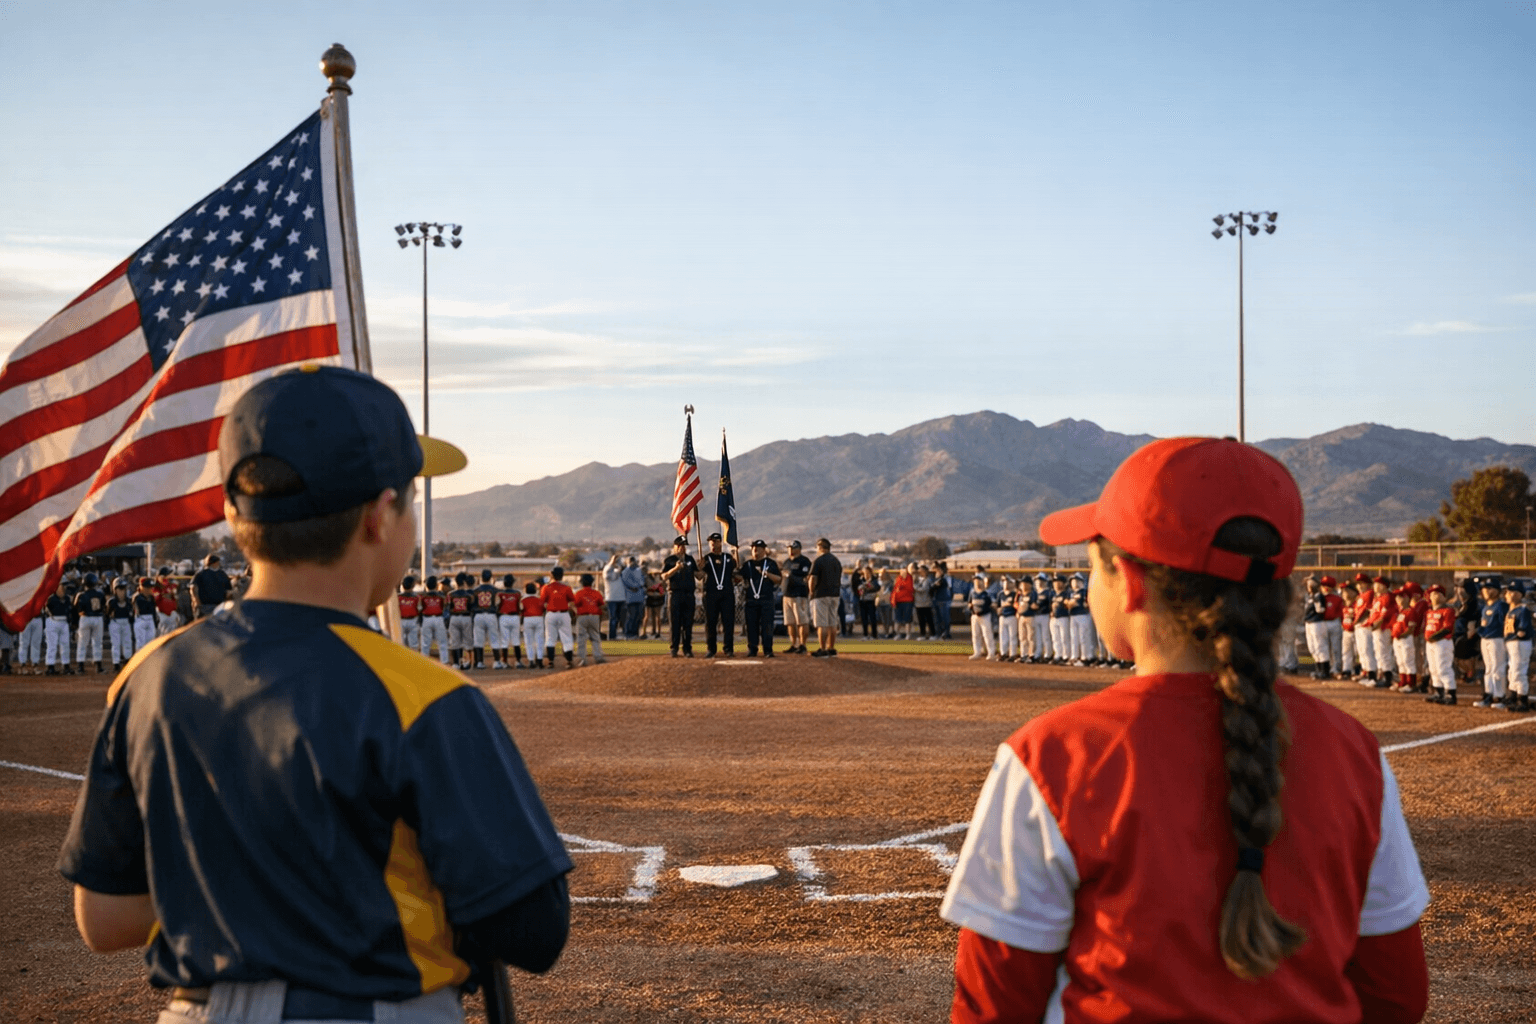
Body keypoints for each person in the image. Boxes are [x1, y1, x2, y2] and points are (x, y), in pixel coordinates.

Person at [58, 364, 571, 1024]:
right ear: (381, 517)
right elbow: (534, 930)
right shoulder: (422, 695)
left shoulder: (149, 674)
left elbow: (105, 917)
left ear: (233, 513)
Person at [941, 436, 1429, 1024]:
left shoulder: (1056, 753)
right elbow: (1394, 995)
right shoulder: (1353, 751)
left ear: (1130, 580)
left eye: (1093, 560)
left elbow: (994, 1003)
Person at [700, 532, 739, 658]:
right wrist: (699, 567)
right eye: (710, 542)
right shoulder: (705, 559)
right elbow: (700, 576)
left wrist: (735, 552)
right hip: (711, 594)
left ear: (720, 542)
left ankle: (728, 648)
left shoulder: (727, 558)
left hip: (726, 594)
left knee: (728, 622)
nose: (712, 544)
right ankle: (711, 649)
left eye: (714, 541)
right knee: (710, 623)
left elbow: (736, 568)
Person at [740, 539, 781, 658]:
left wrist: (767, 574)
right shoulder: (748, 565)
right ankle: (752, 649)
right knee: (751, 626)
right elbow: (739, 577)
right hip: (751, 600)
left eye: (758, 548)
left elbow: (778, 579)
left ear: (764, 550)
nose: (755, 551)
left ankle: (768, 650)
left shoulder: (770, 563)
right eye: (753, 549)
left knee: (767, 626)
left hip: (766, 599)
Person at [661, 536, 699, 658]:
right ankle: (674, 648)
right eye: (680, 546)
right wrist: (676, 568)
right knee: (675, 623)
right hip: (675, 594)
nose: (682, 548)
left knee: (688, 624)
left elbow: (698, 575)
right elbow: (664, 576)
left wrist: (701, 567)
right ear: (675, 547)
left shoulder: (690, 559)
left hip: (688, 594)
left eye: (684, 546)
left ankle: (687, 648)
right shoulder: (669, 560)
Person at [1422, 584, 1458, 706]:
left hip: (1442, 642)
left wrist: (1434, 637)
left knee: (1443, 667)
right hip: (1431, 643)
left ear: (1444, 597)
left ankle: (1450, 693)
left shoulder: (1448, 610)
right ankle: (1439, 691)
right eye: (1432, 594)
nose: (1435, 596)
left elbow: (1448, 628)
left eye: (1438, 593)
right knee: (1433, 668)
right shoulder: (1429, 611)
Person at [1474, 581, 1507, 709]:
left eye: (1490, 588)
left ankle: (1499, 696)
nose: (1486, 591)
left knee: (1498, 668)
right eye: (1484, 589)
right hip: (1485, 639)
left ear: (1498, 591)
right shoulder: (1486, 607)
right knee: (1488, 669)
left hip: (1497, 639)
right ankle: (1489, 694)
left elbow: (1505, 624)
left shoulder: (1501, 605)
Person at [809, 538, 842, 657]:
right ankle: (831, 648)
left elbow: (813, 578)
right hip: (835, 594)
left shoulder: (818, 560)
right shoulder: (836, 561)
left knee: (822, 623)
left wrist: (811, 592)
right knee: (832, 623)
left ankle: (822, 649)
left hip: (821, 595)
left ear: (820, 547)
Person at [539, 567, 577, 669]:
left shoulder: (546, 587)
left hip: (551, 614)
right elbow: (572, 601)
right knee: (567, 638)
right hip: (564, 614)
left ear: (552, 575)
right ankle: (569, 661)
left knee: (550, 638)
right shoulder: (566, 587)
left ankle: (551, 662)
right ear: (562, 575)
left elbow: (542, 602)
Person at [1502, 582, 1532, 712]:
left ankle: (1522, 698)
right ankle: (1513, 695)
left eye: (1512, 591)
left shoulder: (1522, 609)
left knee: (1518, 670)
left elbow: (1523, 629)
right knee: (1512, 670)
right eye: (1508, 591)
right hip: (1511, 642)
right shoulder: (1511, 610)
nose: (1508, 594)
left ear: (1520, 594)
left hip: (1519, 642)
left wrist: (1521, 632)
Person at [781, 540, 813, 655]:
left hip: (799, 595)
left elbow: (806, 579)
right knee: (790, 622)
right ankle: (794, 644)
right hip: (787, 595)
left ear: (799, 549)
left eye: (793, 548)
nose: (790, 550)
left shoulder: (804, 562)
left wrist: (792, 576)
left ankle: (803, 645)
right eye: (789, 548)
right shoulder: (786, 562)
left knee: (802, 621)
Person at [73, 572, 107, 674]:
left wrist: (74, 623)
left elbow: (75, 608)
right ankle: (98, 666)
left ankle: (80, 666)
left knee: (82, 643)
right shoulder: (100, 594)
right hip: (97, 618)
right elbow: (103, 607)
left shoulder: (80, 595)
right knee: (97, 643)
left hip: (84, 618)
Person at [572, 573, 606, 666]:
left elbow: (575, 604)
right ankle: (598, 657)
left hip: (582, 616)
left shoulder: (579, 593)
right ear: (592, 582)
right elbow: (601, 605)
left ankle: (582, 659)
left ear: (582, 582)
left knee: (581, 638)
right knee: (595, 637)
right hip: (594, 616)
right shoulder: (596, 593)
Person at [471, 569, 499, 671]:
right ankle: (496, 662)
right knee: (494, 639)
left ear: (481, 578)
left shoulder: (475, 590)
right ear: (491, 578)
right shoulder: (496, 590)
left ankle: (479, 662)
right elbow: (498, 604)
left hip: (478, 615)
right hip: (491, 615)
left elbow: (472, 605)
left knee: (478, 640)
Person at [419, 575, 450, 665]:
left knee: (425, 643)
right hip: (438, 618)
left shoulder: (422, 596)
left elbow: (420, 608)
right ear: (436, 585)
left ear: (427, 585)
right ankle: (444, 662)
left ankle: (424, 662)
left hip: (426, 618)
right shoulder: (442, 596)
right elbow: (444, 606)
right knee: (442, 642)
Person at [190, 554, 232, 619]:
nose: (218, 564)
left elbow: (228, 591)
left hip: (220, 606)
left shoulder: (222, 574)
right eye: (216, 562)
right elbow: (193, 588)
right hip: (205, 606)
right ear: (211, 563)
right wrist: (196, 600)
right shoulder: (201, 574)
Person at [106, 580, 135, 671]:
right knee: (116, 643)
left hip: (125, 622)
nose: (122, 592)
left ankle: (127, 661)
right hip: (115, 622)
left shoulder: (129, 601)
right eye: (119, 589)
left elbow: (132, 614)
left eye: (123, 589)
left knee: (127, 642)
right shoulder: (112, 602)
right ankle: (116, 663)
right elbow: (107, 614)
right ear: (115, 590)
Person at [497, 574, 524, 669]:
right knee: (516, 640)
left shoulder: (500, 593)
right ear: (512, 583)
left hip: (503, 617)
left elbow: (497, 606)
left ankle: (504, 662)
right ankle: (518, 662)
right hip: (515, 617)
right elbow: (520, 607)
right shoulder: (517, 593)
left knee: (504, 641)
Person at [968, 574, 997, 661]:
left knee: (987, 634)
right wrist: (972, 607)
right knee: (975, 635)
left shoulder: (987, 593)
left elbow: (993, 604)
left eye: (978, 581)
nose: (976, 583)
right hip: (975, 616)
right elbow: (969, 603)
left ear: (982, 582)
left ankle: (991, 653)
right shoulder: (972, 593)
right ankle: (977, 652)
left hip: (985, 616)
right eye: (975, 581)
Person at [520, 583, 547, 668]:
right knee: (539, 641)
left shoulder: (523, 600)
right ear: (535, 590)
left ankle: (531, 661)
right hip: (539, 618)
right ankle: (539, 660)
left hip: (527, 619)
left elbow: (521, 611)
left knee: (529, 642)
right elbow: (544, 609)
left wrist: (521, 623)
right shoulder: (539, 600)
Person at [603, 554, 628, 642]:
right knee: (613, 618)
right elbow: (607, 570)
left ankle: (623, 635)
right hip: (611, 598)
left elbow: (621, 569)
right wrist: (611, 562)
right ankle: (612, 636)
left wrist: (620, 565)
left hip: (621, 598)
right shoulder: (607, 573)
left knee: (622, 619)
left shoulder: (619, 573)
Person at [622, 556, 647, 640]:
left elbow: (642, 581)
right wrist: (635, 586)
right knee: (631, 616)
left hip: (639, 597)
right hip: (630, 597)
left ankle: (635, 633)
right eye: (630, 561)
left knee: (638, 616)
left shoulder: (638, 570)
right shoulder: (625, 571)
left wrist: (639, 585)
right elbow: (627, 582)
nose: (632, 562)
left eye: (633, 560)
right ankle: (629, 634)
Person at [396, 575, 422, 652]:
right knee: (413, 645)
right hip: (412, 620)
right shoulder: (417, 597)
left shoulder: (398, 597)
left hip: (401, 620)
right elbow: (419, 609)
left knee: (401, 643)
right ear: (413, 585)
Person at [932, 562, 954, 641]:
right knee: (937, 619)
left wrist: (937, 581)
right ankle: (939, 634)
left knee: (945, 618)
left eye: (938, 570)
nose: (937, 571)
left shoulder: (946, 578)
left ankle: (946, 634)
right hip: (937, 599)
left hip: (944, 600)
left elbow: (948, 586)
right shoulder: (936, 577)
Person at [913, 564, 935, 640]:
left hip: (926, 603)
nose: (920, 572)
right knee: (921, 621)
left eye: (921, 571)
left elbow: (923, 589)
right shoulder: (918, 580)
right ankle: (922, 635)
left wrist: (914, 587)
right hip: (918, 603)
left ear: (925, 571)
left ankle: (933, 634)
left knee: (929, 620)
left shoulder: (928, 580)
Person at [643, 569, 665, 639]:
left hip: (657, 598)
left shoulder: (660, 579)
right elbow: (646, 589)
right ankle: (644, 633)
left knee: (657, 616)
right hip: (650, 598)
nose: (655, 575)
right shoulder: (646, 578)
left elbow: (662, 591)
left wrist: (654, 590)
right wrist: (653, 589)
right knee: (647, 616)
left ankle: (658, 632)